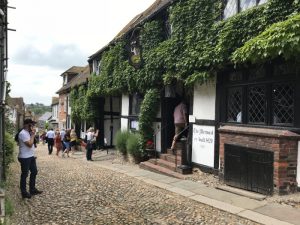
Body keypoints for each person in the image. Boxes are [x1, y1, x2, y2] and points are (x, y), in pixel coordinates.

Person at [16, 119, 43, 198]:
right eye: (32, 125)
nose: (33, 126)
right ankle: (24, 192)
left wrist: (33, 154)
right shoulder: (23, 133)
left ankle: (32, 189)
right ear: (28, 125)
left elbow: (33, 144)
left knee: (34, 172)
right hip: (24, 157)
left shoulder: (28, 133)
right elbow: (30, 144)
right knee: (25, 174)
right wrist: (33, 135)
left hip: (30, 157)